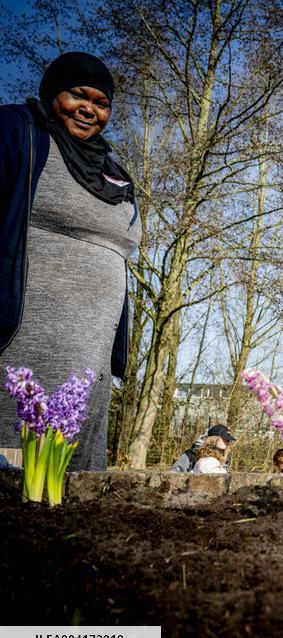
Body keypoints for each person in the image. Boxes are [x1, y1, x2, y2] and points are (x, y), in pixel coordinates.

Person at [0, 52, 140, 471]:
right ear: (51, 93)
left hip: (90, 354)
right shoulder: (17, 131)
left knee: (72, 486)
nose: (89, 109)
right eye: (78, 95)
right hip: (21, 343)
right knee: (17, 467)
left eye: (101, 103)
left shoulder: (112, 169)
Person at [170, 424, 237, 473]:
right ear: (215, 438)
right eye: (226, 439)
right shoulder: (191, 454)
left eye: (229, 440)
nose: (228, 442)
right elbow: (174, 474)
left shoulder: (226, 457)